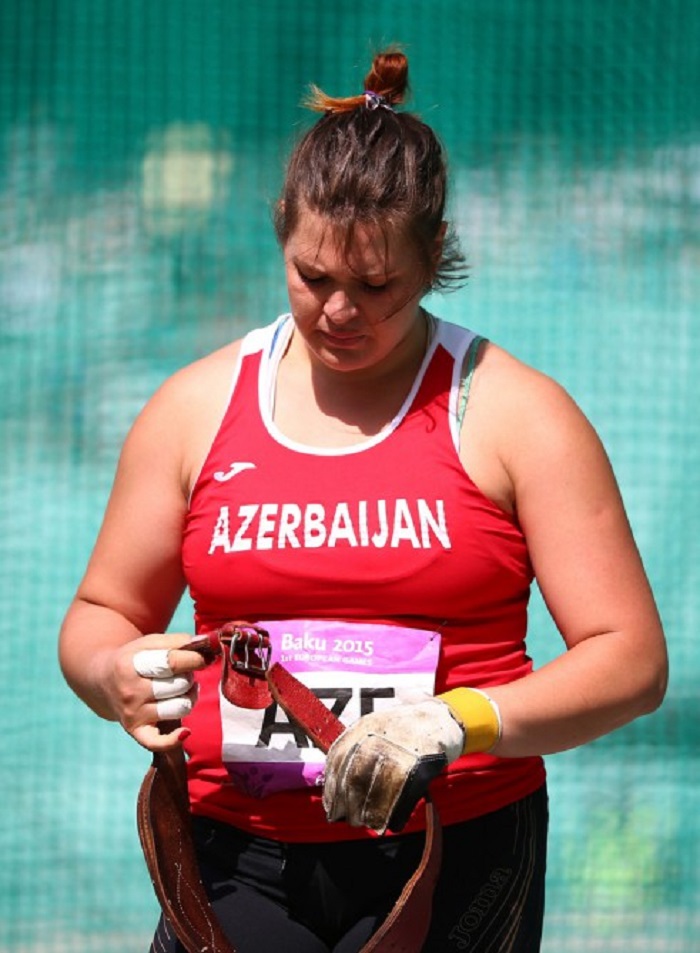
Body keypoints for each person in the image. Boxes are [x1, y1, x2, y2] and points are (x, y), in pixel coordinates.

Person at [59, 49, 668, 953]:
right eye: (313, 277)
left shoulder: (516, 413)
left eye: (376, 285)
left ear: (436, 257)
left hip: (452, 849)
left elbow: (630, 661)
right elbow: (101, 614)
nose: (340, 311)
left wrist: (456, 720)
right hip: (236, 851)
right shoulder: (193, 409)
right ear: (280, 240)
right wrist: (113, 675)